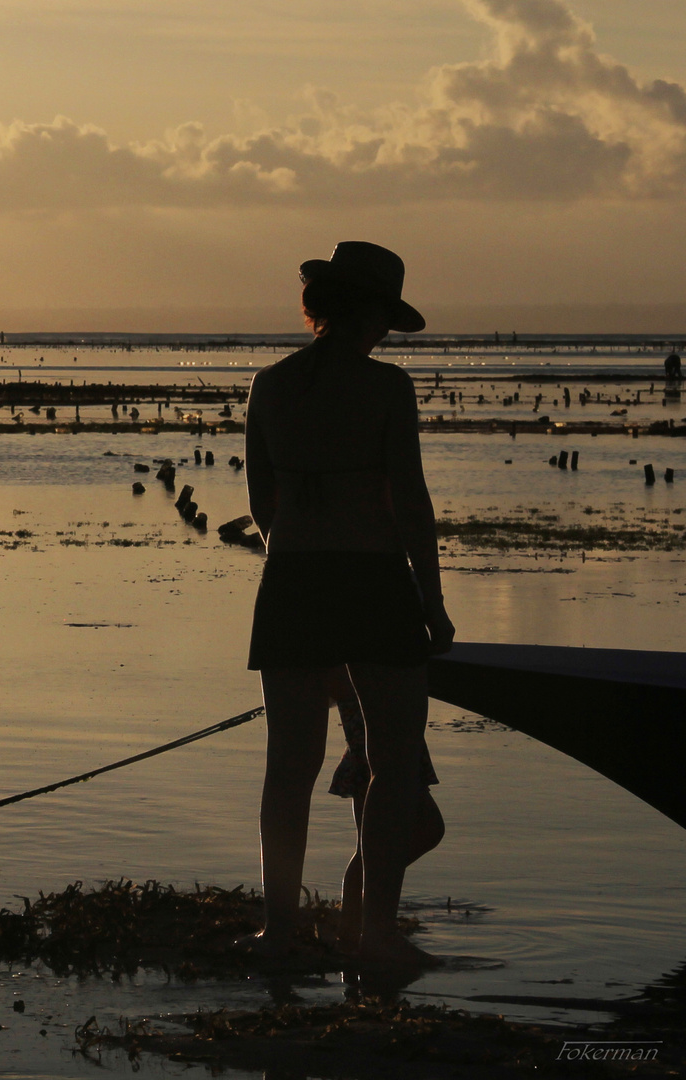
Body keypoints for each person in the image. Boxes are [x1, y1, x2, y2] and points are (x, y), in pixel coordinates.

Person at [244, 241, 455, 966]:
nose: (385, 333)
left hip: (293, 580)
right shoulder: (387, 390)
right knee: (392, 763)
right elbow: (412, 505)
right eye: (383, 319)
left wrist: (303, 546)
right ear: (363, 314)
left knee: (289, 766)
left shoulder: (268, 386)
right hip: (372, 580)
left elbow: (261, 505)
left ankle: (278, 929)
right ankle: (378, 933)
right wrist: (433, 602)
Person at [328, 666, 444, 952]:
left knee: (374, 844)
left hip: (383, 721)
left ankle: (355, 924)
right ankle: (358, 925)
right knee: (419, 830)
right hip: (377, 733)